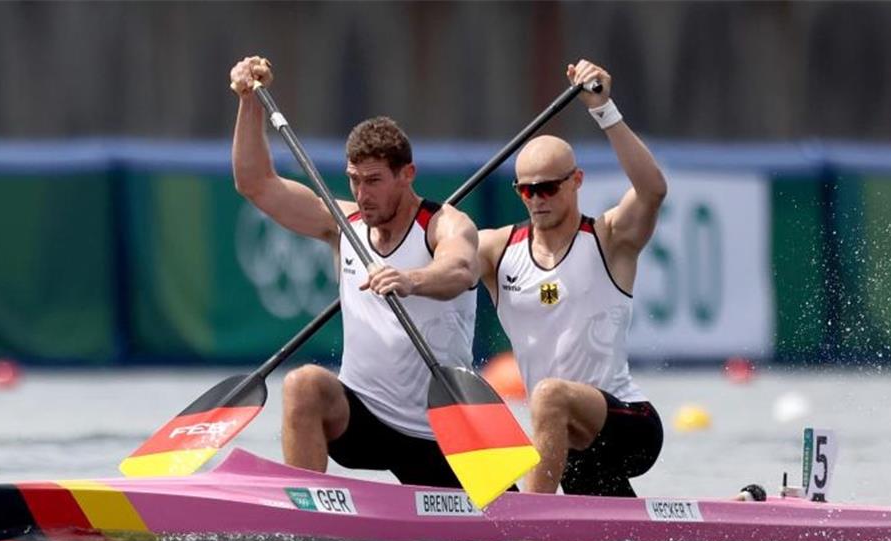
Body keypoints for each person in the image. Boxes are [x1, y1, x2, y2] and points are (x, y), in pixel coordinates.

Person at [229, 55, 481, 486]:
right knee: (304, 384)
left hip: (435, 432)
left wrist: (410, 279)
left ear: (407, 174)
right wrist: (248, 101)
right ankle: (306, 507)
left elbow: (460, 270)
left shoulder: (446, 225)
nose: (362, 195)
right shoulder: (343, 225)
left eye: (374, 180)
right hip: (363, 420)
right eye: (353, 180)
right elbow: (256, 184)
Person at [477, 59, 667, 496]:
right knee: (614, 540)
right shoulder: (496, 250)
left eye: (549, 188)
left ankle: (528, 523)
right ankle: (744, 502)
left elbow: (653, 191)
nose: (537, 199)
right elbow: (442, 254)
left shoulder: (610, 238)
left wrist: (604, 110)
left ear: (576, 181)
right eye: (527, 190)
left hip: (630, 427)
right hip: (569, 443)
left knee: (548, 395)